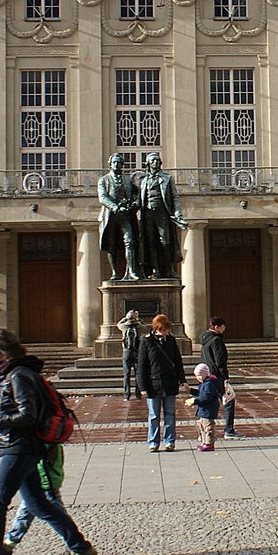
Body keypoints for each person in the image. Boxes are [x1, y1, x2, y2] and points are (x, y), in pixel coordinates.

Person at [0, 328, 97, 555]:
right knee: (38, 503)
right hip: (23, 446)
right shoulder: (15, 373)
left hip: (21, 447)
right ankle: (81, 547)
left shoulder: (19, 375)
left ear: (3, 353)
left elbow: (27, 416)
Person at [0, 442, 73, 555]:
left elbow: (43, 460)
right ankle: (9, 545)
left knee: (58, 515)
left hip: (45, 481)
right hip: (39, 480)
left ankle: (76, 546)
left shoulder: (42, 436)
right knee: (25, 511)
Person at [136, 313, 185, 452]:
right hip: (153, 383)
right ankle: (153, 442)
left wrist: (182, 380)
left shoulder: (171, 340)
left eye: (167, 329)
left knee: (170, 413)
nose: (165, 332)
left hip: (169, 382)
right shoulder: (146, 342)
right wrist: (142, 386)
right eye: (163, 329)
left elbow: (177, 361)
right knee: (154, 415)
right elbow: (142, 366)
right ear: (156, 328)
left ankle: (170, 441)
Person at [136, 152, 187, 279]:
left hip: (162, 213)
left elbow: (174, 196)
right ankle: (155, 270)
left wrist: (177, 212)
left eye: (158, 161)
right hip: (147, 213)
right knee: (151, 242)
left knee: (165, 241)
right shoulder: (143, 180)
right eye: (153, 161)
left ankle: (170, 269)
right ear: (148, 163)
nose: (156, 163)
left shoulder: (167, 178)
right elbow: (138, 198)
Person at [98, 152, 141, 280]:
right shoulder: (103, 180)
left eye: (118, 162)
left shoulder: (128, 180)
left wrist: (136, 204)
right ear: (110, 165)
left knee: (130, 241)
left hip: (126, 215)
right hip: (111, 216)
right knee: (111, 244)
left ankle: (131, 271)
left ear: (122, 165)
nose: (116, 165)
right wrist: (115, 207)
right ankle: (114, 273)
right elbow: (103, 197)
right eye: (114, 163)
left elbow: (139, 193)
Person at [200, 316, 242, 438]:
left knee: (207, 402)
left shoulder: (205, 339)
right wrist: (225, 377)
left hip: (207, 375)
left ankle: (202, 432)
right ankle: (229, 430)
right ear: (217, 327)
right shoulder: (216, 340)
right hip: (216, 376)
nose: (225, 328)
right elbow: (220, 361)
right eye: (223, 326)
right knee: (229, 400)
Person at [184, 362, 220, 451]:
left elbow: (206, 397)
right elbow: (200, 393)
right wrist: (191, 391)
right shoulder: (204, 383)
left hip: (208, 409)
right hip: (203, 410)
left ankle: (209, 443)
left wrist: (195, 400)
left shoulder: (209, 384)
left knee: (208, 427)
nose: (198, 378)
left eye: (200, 375)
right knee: (202, 426)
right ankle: (204, 441)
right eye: (197, 376)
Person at [118, 309, 142, 400]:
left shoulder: (124, 326)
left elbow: (118, 324)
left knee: (126, 374)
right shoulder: (139, 326)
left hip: (126, 352)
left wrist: (126, 318)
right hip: (136, 351)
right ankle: (138, 394)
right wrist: (137, 318)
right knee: (138, 374)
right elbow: (145, 326)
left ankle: (126, 395)